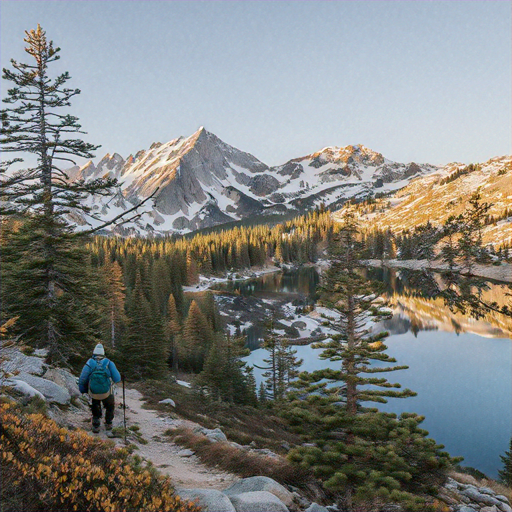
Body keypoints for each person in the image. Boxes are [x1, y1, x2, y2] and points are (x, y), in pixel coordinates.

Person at [78, 343, 121, 433]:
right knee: (110, 405)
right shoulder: (109, 363)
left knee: (95, 404)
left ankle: (96, 424)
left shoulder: (90, 362)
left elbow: (82, 379)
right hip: (106, 392)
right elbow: (117, 378)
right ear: (103, 353)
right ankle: (108, 423)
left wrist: (83, 390)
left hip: (94, 392)